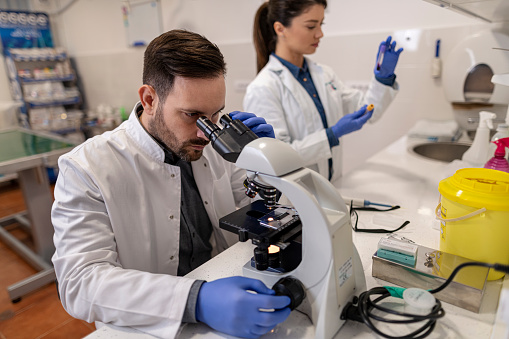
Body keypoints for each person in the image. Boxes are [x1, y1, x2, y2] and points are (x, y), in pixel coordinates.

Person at [51, 29, 291, 339]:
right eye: (192, 115)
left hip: (230, 289)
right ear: (149, 99)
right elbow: (79, 283)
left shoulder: (212, 145)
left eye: (215, 114)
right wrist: (196, 300)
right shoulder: (87, 168)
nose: (206, 133)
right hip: (150, 323)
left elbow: (255, 211)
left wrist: (264, 163)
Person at [244, 0, 403, 184]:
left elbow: (367, 111)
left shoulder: (324, 74)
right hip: (295, 202)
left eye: (321, 24)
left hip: (333, 187)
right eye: (311, 26)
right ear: (280, 29)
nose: (320, 34)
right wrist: (331, 135)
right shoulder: (263, 88)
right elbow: (276, 159)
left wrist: (383, 79)